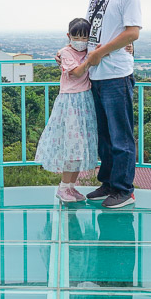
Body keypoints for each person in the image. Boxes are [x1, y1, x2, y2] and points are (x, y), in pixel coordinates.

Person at [84, 0, 142, 209]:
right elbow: (92, 32)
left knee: (120, 135)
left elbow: (133, 32)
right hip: (96, 75)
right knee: (105, 135)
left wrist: (100, 53)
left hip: (116, 74)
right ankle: (108, 182)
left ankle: (123, 189)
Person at [34, 18, 100, 203]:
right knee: (71, 146)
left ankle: (71, 187)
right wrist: (90, 60)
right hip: (70, 102)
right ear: (68, 36)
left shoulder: (88, 51)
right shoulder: (65, 53)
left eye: (84, 37)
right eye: (76, 36)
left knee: (80, 146)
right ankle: (63, 186)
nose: (80, 40)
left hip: (85, 100)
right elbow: (77, 72)